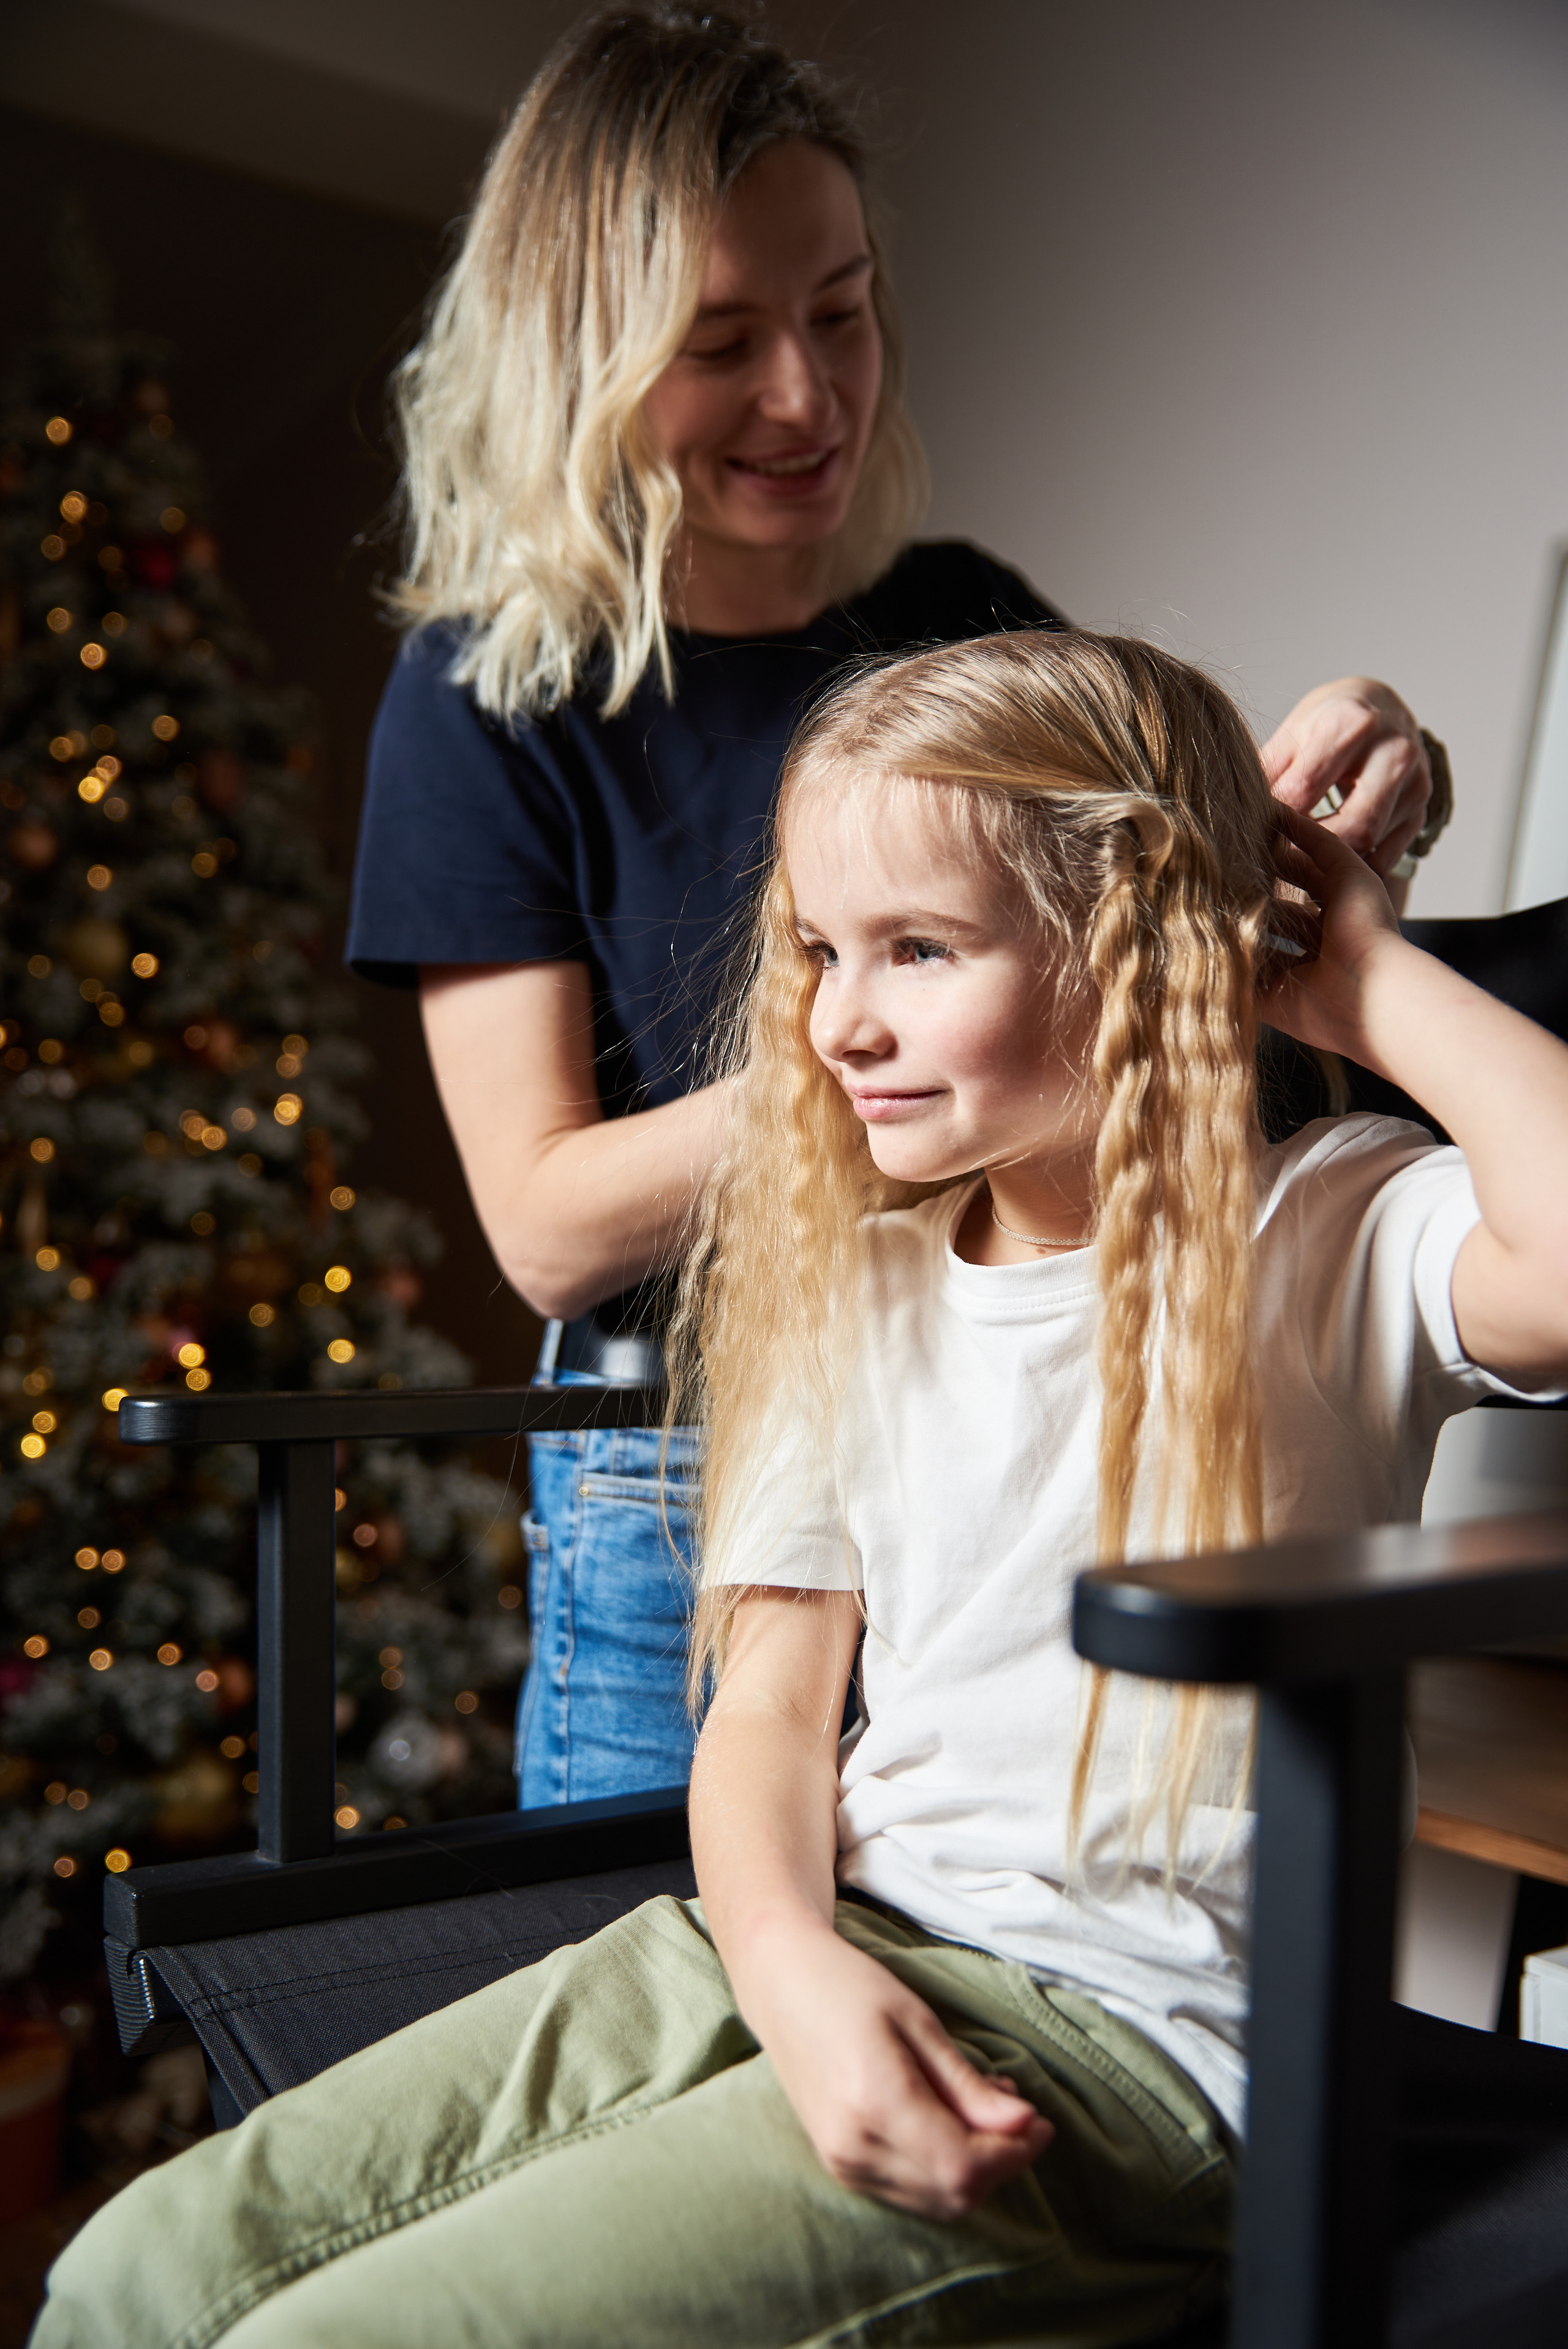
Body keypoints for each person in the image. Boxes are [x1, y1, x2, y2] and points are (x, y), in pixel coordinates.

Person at [37, 629, 1559, 2348]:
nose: (838, 1017)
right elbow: (766, 1714)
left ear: (1128, 945)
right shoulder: (860, 1280)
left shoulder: (1333, 1228)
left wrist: (1351, 965)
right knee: (134, 2274)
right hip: (809, 1939)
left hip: (1129, 2047)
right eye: (823, 948)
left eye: (917, 948)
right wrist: (796, 1971)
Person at [345, 3, 1444, 1807]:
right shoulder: (491, 698)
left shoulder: (962, 611)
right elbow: (546, 1226)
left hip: (1002, 1419)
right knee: (692, 1980)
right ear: (579, 359)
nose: (811, 392)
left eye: (842, 310)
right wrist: (905, 1030)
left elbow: (1155, 930)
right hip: (682, 1474)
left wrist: (1362, 778)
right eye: (723, 344)